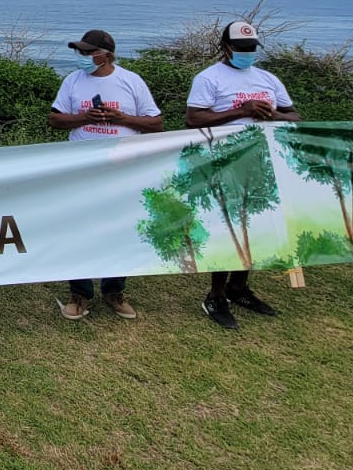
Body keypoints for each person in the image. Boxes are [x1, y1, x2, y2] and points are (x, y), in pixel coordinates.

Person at [184, 20, 301, 330]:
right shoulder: (209, 79)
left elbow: (294, 116)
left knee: (255, 224)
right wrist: (241, 111)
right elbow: (194, 118)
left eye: (252, 49)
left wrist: (273, 115)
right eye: (242, 49)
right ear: (226, 48)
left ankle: (239, 287)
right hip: (225, 163)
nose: (248, 53)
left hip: (263, 162)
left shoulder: (268, 79)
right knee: (229, 228)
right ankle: (216, 295)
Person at [47, 30, 164, 321]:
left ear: (107, 55)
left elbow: (157, 123)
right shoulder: (72, 81)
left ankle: (114, 291)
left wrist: (122, 119)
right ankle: (80, 293)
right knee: (79, 230)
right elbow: (55, 119)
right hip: (81, 169)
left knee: (119, 229)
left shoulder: (131, 81)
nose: (83, 58)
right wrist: (85, 118)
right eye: (81, 52)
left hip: (122, 170)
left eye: (89, 53)